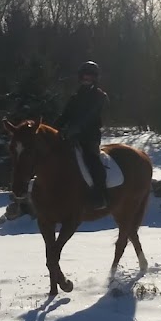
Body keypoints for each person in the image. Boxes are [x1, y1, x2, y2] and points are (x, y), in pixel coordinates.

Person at [56, 60, 109, 209]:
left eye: (90, 76)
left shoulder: (100, 96)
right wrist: (53, 128)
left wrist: (76, 128)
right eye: (85, 76)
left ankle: (99, 194)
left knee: (92, 160)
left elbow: (90, 116)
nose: (87, 79)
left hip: (89, 136)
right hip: (72, 136)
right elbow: (64, 115)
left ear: (95, 78)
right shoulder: (75, 97)